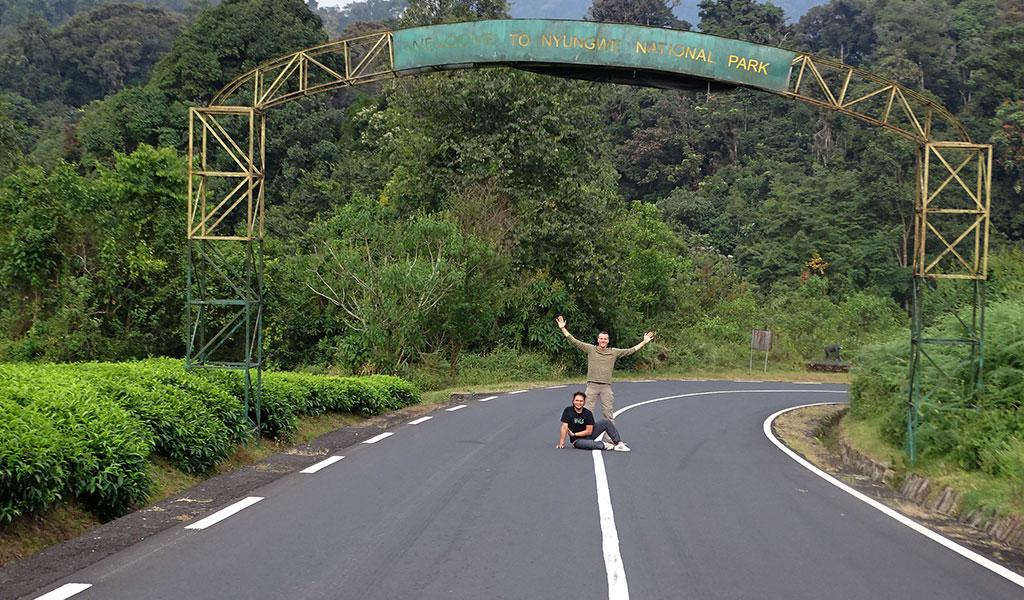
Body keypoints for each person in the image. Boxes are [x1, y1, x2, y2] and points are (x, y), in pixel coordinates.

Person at [556, 315, 654, 422]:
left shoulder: (613, 352)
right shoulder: (591, 349)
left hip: (606, 387)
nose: (603, 340)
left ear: (608, 340)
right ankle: (584, 436)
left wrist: (644, 342)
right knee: (585, 413)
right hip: (592, 385)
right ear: (598, 340)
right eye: (601, 338)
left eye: (605, 339)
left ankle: (610, 438)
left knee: (608, 414)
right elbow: (574, 341)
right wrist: (562, 328)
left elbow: (630, 350)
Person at [557, 391, 630, 451]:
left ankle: (618, 443)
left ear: (584, 402)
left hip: (586, 435)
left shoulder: (587, 413)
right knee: (591, 445)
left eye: (581, 401)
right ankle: (605, 445)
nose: (578, 403)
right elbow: (564, 427)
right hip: (577, 440)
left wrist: (575, 434)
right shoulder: (568, 411)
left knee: (606, 421)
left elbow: (589, 431)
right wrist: (561, 444)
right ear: (573, 401)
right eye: (577, 400)